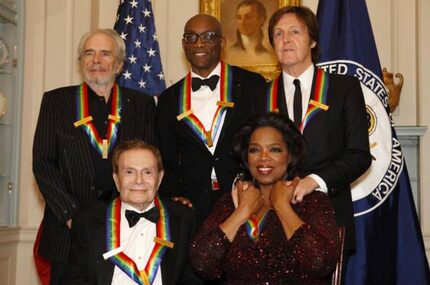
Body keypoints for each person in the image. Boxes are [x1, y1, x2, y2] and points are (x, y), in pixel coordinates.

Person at [32, 29, 156, 285]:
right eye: (89, 53)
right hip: (66, 234)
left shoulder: (142, 104)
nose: (96, 60)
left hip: (128, 231)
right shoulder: (55, 101)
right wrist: (71, 217)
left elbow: (151, 165)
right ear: (81, 62)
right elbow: (43, 164)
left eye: (105, 53)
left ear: (120, 64)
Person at [265, 6, 372, 259]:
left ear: (312, 40)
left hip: (329, 217)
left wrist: (315, 181)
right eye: (278, 34)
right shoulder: (262, 93)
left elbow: (359, 154)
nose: (285, 40)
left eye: (294, 32)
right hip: (272, 222)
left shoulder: (343, 88)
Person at [190, 113, 341, 284]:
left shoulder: (312, 201)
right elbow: (203, 264)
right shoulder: (230, 202)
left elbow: (320, 263)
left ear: (290, 155)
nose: (263, 157)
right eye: (254, 150)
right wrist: (242, 211)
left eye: (274, 149)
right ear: (246, 157)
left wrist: (283, 207)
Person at [155, 14, 267, 226]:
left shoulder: (251, 85)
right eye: (191, 37)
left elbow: (264, 144)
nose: (199, 43)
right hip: (192, 206)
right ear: (183, 44)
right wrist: (173, 196)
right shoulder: (169, 99)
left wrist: (255, 186)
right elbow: (166, 156)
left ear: (222, 42)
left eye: (208, 37)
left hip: (245, 199)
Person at [60, 140, 197, 285]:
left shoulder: (183, 218)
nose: (139, 180)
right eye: (129, 172)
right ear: (117, 179)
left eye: (147, 172)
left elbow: (192, 280)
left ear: (160, 178)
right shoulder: (88, 221)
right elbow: (74, 280)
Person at [224, 0, 277, 65]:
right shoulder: (229, 54)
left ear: (261, 20)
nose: (242, 22)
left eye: (248, 17)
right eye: (239, 17)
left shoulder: (269, 55)